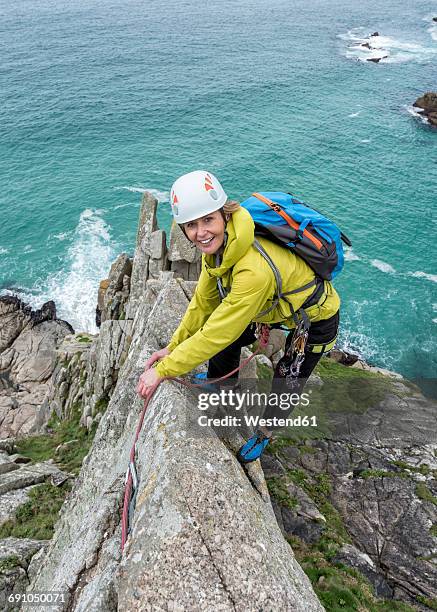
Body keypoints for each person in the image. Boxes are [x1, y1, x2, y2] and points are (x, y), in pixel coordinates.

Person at [137, 170, 340, 462]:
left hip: (316, 318)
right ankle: (222, 383)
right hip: (272, 307)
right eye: (191, 225)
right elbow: (202, 304)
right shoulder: (220, 251)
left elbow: (219, 333)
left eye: (208, 220)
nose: (201, 232)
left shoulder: (251, 271)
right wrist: (173, 346)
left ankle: (264, 432)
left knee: (288, 376)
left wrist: (164, 369)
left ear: (224, 214)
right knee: (221, 325)